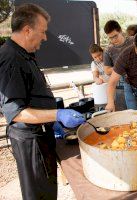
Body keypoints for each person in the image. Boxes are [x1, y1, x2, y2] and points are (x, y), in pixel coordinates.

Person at [0, 4, 85, 200]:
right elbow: (16, 112)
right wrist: (57, 114)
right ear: (27, 30)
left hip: (41, 133)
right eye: (43, 32)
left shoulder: (23, 53)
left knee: (47, 190)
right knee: (39, 195)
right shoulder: (11, 59)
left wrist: (50, 119)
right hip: (31, 140)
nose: (45, 37)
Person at [103, 20, 134, 109]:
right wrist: (122, 66)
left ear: (120, 30)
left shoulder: (133, 41)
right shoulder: (108, 50)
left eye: (115, 36)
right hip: (122, 85)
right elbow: (107, 70)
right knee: (127, 113)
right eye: (110, 38)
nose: (113, 40)